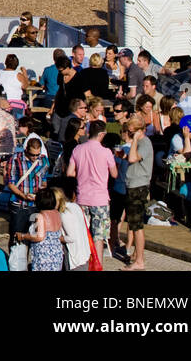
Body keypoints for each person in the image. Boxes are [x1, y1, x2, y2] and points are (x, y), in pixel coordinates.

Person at [66, 119, 118, 264]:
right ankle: (97, 264)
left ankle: (83, 263)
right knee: (99, 237)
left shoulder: (78, 149)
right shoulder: (106, 152)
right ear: (102, 134)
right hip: (100, 199)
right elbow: (114, 174)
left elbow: (70, 173)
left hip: (82, 197)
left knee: (83, 234)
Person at [123, 111, 152, 271]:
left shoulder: (144, 143)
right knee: (134, 224)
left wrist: (134, 140)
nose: (128, 133)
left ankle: (139, 261)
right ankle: (137, 254)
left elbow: (133, 158)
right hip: (132, 184)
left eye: (130, 131)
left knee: (137, 225)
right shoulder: (140, 142)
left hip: (138, 187)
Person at [15, 188, 66, 271]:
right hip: (57, 253)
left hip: (44, 256)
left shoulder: (40, 216)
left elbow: (40, 236)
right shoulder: (57, 214)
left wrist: (23, 236)